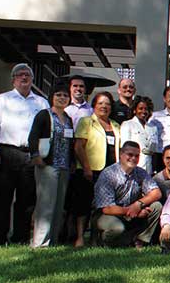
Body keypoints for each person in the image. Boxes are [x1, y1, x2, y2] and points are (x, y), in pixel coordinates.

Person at [0, 63, 49, 245]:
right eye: (20, 75)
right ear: (13, 79)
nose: (24, 78)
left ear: (32, 79)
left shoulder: (41, 102)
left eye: (27, 75)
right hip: (7, 152)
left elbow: (45, 131)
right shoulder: (2, 100)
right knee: (2, 197)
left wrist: (41, 155)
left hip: (30, 155)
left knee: (27, 199)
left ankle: (20, 237)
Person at [70, 91, 121, 247]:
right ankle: (79, 238)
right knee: (83, 205)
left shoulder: (116, 125)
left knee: (102, 207)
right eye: (100, 103)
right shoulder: (86, 122)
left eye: (107, 104)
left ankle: (95, 239)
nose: (104, 106)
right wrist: (86, 168)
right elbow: (79, 146)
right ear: (94, 106)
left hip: (109, 173)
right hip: (90, 171)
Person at [93, 141, 162, 248]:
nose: (133, 158)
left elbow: (156, 193)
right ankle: (103, 241)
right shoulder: (108, 174)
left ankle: (140, 240)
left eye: (137, 155)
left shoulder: (140, 172)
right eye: (130, 155)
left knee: (156, 206)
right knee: (118, 228)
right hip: (109, 215)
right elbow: (107, 208)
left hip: (130, 213)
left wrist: (138, 205)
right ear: (121, 154)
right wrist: (132, 212)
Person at [28, 84, 73, 247]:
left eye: (65, 95)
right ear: (52, 97)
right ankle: (40, 243)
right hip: (47, 165)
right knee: (45, 205)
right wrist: (35, 155)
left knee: (58, 206)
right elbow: (33, 136)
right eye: (58, 95)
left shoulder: (68, 119)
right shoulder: (44, 115)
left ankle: (52, 241)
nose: (62, 98)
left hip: (64, 167)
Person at [120, 96, 157, 174]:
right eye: (140, 108)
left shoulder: (153, 127)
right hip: (133, 165)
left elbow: (154, 149)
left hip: (148, 166)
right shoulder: (128, 124)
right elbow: (125, 148)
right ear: (134, 110)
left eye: (146, 109)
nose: (143, 111)